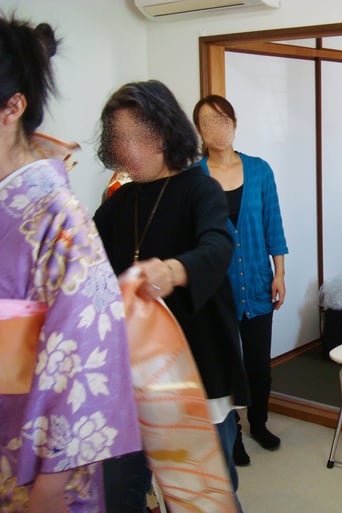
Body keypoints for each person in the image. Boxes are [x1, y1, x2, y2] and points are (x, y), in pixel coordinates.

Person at [0, 16, 140, 512]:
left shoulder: (58, 218)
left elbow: (88, 344)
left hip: (27, 453)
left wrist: (53, 479)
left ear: (13, 107)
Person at [93, 81, 247, 512]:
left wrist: (174, 271)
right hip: (132, 370)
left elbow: (218, 245)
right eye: (118, 139)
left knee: (206, 495)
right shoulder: (119, 203)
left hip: (196, 366)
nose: (126, 150)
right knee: (119, 489)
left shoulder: (200, 189)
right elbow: (84, 259)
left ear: (163, 133)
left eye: (136, 137)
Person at [192, 94, 288, 464]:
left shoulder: (260, 170)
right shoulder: (193, 178)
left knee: (259, 365)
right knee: (225, 365)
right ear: (199, 131)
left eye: (223, 120)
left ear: (234, 124)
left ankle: (258, 423)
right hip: (215, 290)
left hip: (260, 282)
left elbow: (273, 224)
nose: (218, 129)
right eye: (208, 122)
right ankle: (232, 436)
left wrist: (279, 273)